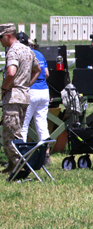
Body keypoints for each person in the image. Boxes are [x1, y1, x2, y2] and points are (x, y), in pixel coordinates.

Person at [0, 24, 40, 174]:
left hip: (13, 98)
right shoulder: (27, 49)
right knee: (17, 132)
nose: (0, 41)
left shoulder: (13, 51)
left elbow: (11, 73)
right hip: (24, 97)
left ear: (8, 35)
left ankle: (20, 166)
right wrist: (26, 86)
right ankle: (12, 165)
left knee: (9, 135)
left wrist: (4, 88)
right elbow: (38, 70)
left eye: (0, 38)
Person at [18, 36, 51, 165]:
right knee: (42, 124)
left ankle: (23, 156)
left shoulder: (23, 54)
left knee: (24, 125)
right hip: (44, 91)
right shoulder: (39, 54)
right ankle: (46, 154)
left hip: (31, 90)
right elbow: (47, 73)